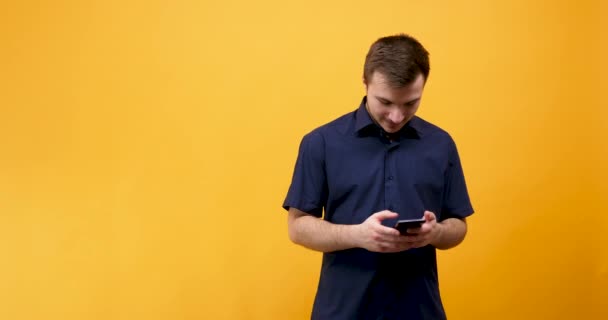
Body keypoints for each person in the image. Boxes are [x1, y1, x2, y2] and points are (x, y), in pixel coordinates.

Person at [282, 34, 474, 320]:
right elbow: (297, 227)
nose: (396, 116)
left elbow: (458, 225)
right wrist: (357, 235)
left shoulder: (441, 144)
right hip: (342, 312)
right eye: (385, 102)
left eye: (410, 103)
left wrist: (436, 233)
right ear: (365, 82)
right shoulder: (320, 142)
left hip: (420, 311)